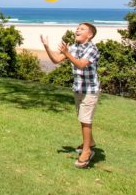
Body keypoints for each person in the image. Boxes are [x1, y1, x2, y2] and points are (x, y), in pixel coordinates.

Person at [40, 22, 100, 169]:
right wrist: (47, 47)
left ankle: (86, 152)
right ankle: (90, 142)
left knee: (86, 120)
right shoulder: (74, 47)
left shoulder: (92, 49)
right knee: (82, 119)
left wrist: (67, 54)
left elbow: (81, 64)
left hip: (90, 90)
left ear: (90, 35)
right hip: (78, 89)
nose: (77, 30)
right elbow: (56, 60)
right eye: (77, 28)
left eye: (82, 29)